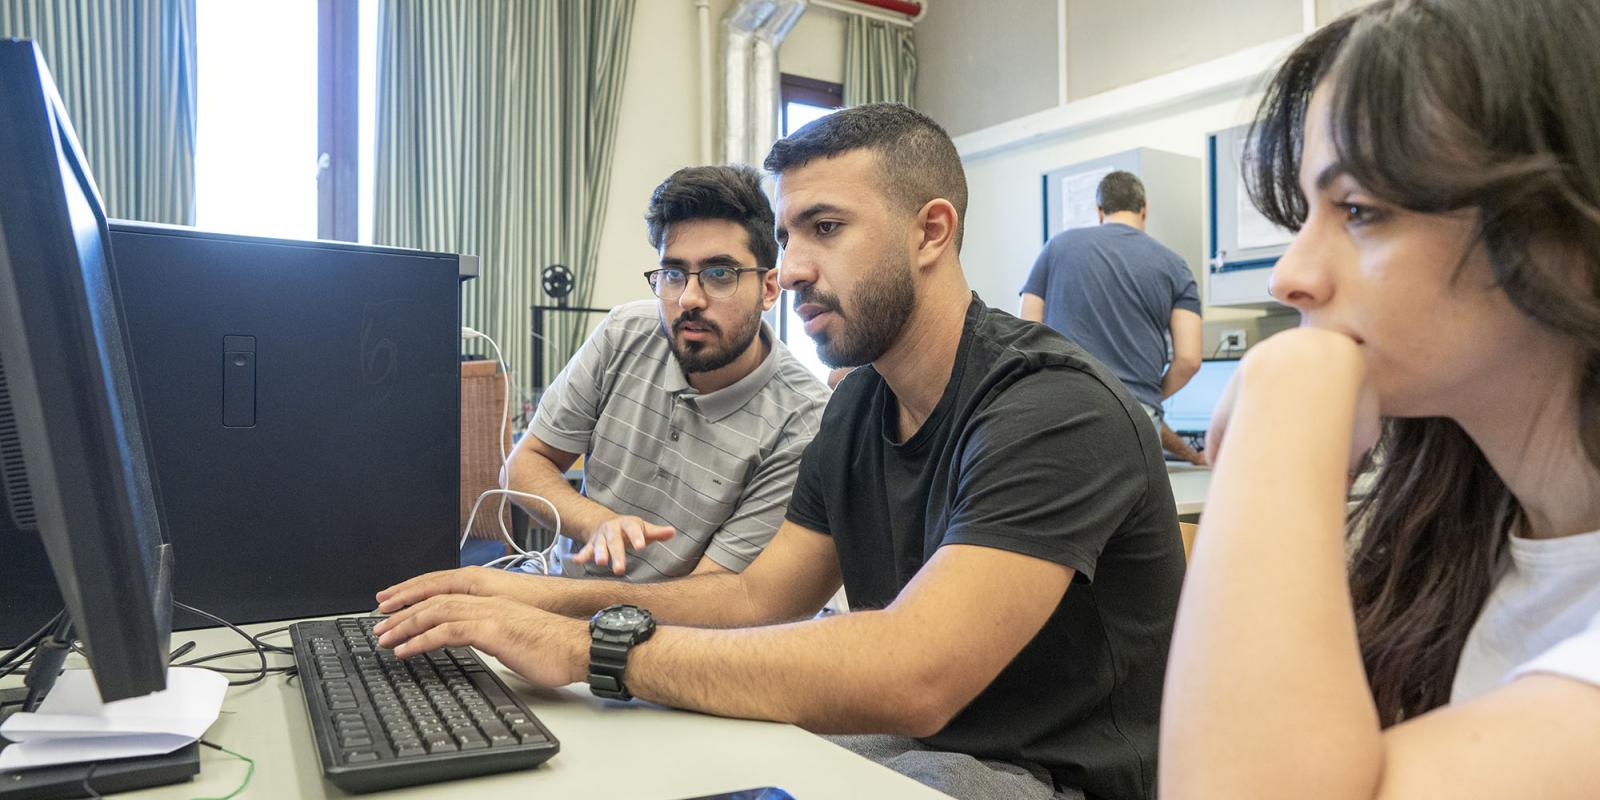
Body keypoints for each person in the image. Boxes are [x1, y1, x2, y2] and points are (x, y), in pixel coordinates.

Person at [375, 104, 1185, 800]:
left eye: (825, 229)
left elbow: (915, 674)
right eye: (790, 234)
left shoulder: (1051, 405)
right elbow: (754, 599)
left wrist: (591, 648)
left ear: (931, 231)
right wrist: (521, 603)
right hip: (917, 744)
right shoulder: (861, 403)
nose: (791, 270)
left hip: (1041, 774)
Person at [1160, 1, 1600, 797]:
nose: (1289, 275)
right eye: (1307, 214)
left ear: (1567, 232)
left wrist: (1282, 394)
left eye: (1359, 210)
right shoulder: (1455, 531)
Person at [500, 164, 827, 580]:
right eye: (673, 273)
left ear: (768, 289)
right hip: (564, 599)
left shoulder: (804, 420)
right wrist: (595, 521)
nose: (689, 298)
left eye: (719, 274)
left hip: (675, 636)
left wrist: (548, 609)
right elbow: (524, 464)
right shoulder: (624, 333)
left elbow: (713, 598)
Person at [1019, 170, 1204, 463]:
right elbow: (1190, 359)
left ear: (1100, 211)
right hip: (1135, 416)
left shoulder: (1058, 247)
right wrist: (1149, 395)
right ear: (1144, 209)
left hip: (1060, 408)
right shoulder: (1175, 266)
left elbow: (1027, 333)